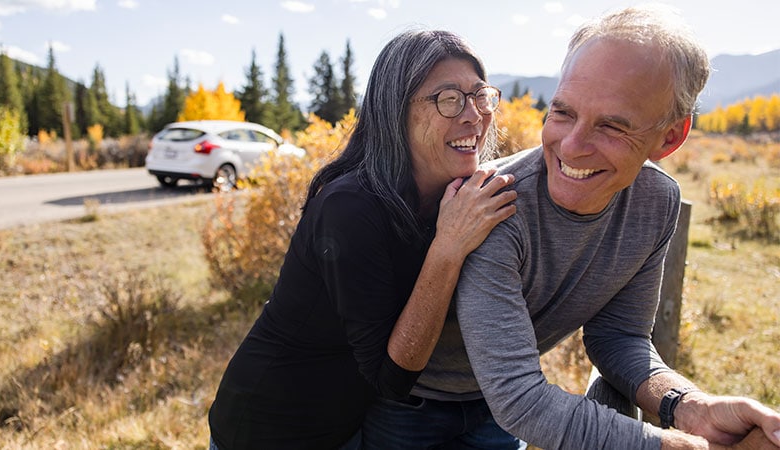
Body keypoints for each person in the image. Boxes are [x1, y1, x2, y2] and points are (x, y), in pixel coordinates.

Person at [362, 5, 780, 450]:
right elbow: (520, 398)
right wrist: (677, 446)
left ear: (670, 137)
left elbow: (618, 337)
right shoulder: (493, 205)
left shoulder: (658, 203)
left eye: (612, 126)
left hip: (493, 407)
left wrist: (688, 406)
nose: (573, 147)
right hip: (412, 403)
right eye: (562, 113)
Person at [206, 29, 518, 449]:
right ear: (395, 112)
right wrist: (449, 247)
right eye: (448, 99)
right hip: (270, 428)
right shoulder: (350, 207)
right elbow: (393, 377)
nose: (473, 115)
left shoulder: (449, 197)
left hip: (349, 425)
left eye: (480, 96)